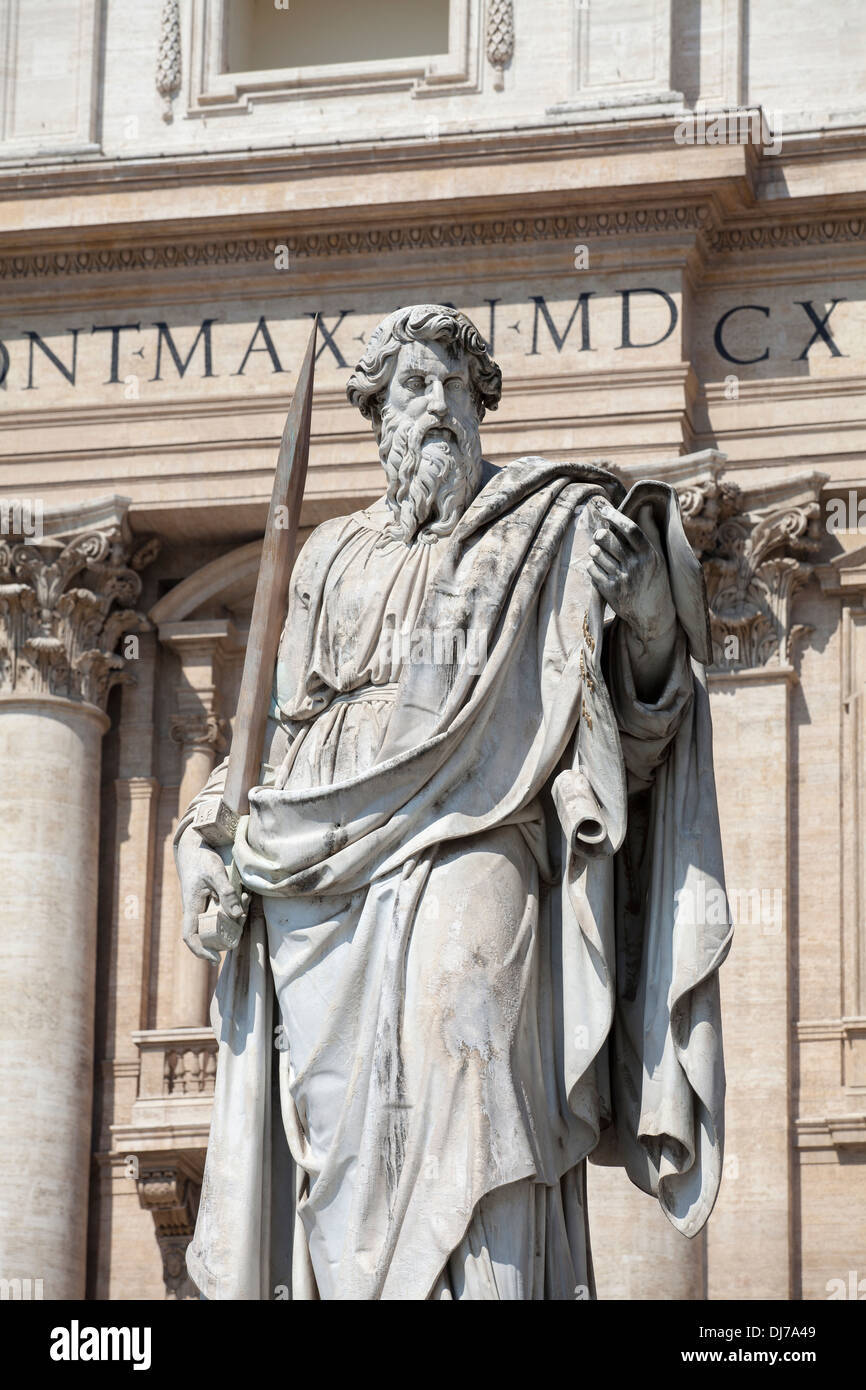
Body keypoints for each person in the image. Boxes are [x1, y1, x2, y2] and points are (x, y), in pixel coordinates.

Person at [175, 304, 731, 1300]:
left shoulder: (541, 532)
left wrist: (646, 611)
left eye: (452, 387)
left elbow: (633, 742)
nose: (434, 406)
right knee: (352, 1142)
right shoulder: (328, 556)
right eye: (411, 387)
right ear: (377, 412)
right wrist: (199, 844)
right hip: (324, 862)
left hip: (480, 829)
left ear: (481, 406)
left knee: (477, 1053)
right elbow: (277, 739)